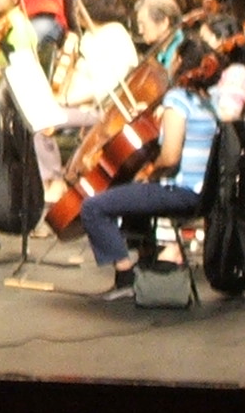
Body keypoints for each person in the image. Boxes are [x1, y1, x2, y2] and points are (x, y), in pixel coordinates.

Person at [79, 33, 222, 299]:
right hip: (204, 194)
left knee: (92, 207)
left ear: (179, 61)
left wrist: (151, 171)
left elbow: (170, 157)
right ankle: (148, 264)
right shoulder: (209, 103)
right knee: (134, 197)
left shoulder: (177, 99)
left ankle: (126, 276)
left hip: (180, 193)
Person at [39, 0, 141, 181]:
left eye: (79, 8)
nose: (75, 12)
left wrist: (66, 102)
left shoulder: (114, 35)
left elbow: (104, 88)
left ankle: (53, 180)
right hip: (79, 104)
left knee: (42, 120)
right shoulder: (90, 35)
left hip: (100, 109)